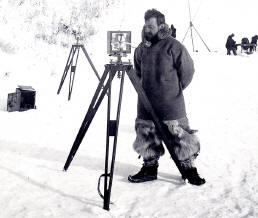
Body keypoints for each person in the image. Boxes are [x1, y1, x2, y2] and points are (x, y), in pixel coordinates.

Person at [128, 9, 205, 186]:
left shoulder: (174, 46)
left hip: (171, 105)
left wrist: (173, 90)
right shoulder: (140, 49)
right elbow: (138, 72)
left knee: (181, 138)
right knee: (147, 137)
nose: (147, 29)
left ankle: (189, 170)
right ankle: (149, 169)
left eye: (151, 26)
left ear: (161, 26)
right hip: (146, 104)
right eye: (145, 26)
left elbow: (187, 71)